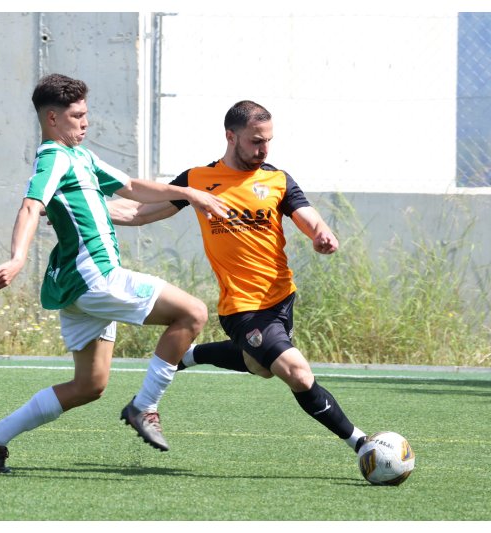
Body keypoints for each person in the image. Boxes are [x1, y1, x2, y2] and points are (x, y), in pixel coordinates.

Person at [0, 73, 228, 473]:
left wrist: (188, 194)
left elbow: (133, 194)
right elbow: (30, 205)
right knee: (192, 313)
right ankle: (145, 407)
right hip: (96, 277)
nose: (85, 122)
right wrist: (18, 258)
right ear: (52, 118)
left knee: (89, 386)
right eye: (77, 115)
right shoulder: (54, 156)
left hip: (78, 286)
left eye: (86, 113)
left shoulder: (82, 158)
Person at [108, 100, 368, 455]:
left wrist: (322, 234)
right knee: (298, 374)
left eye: (268, 141)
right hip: (242, 308)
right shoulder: (198, 181)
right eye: (255, 141)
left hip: (281, 300)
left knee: (259, 366)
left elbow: (308, 215)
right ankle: (364, 445)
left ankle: (190, 355)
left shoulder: (276, 179)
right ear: (231, 137)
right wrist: (78, 210)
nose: (263, 149)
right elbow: (139, 212)